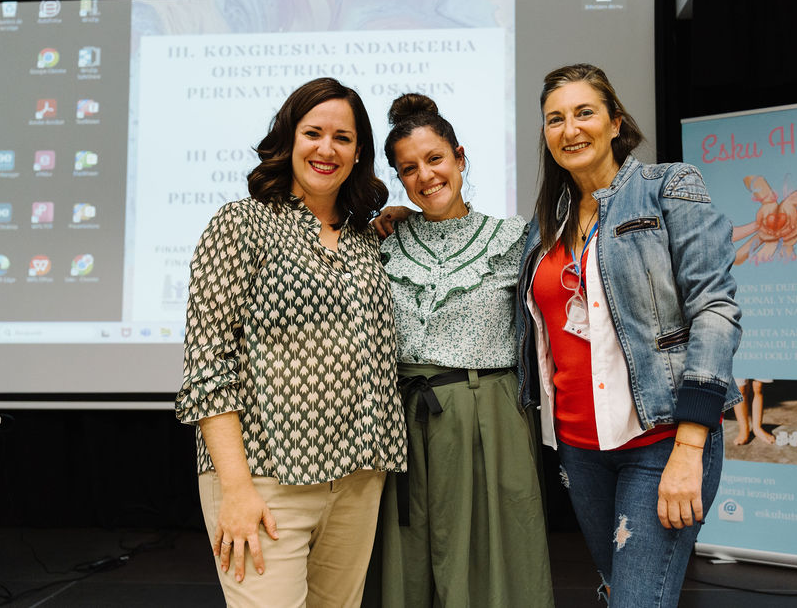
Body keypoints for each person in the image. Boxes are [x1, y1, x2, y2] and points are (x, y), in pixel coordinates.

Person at [175, 77, 407, 608]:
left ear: (359, 152)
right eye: (313, 133)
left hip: (358, 477)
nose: (327, 149)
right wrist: (236, 489)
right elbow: (207, 364)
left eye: (343, 138)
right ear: (289, 138)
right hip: (265, 479)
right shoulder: (241, 224)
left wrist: (405, 216)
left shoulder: (367, 238)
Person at [517, 64, 742, 607]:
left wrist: (690, 445)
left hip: (661, 440)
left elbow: (715, 309)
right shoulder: (545, 224)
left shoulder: (666, 187)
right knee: (619, 590)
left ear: (615, 122)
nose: (570, 129)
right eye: (555, 119)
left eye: (584, 113)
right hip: (579, 450)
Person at [370, 94, 554, 607]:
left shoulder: (513, 238)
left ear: (459, 157)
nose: (426, 176)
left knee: (495, 565)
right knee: (407, 564)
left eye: (435, 159)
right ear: (399, 178)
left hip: (488, 414)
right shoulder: (381, 241)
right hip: (404, 421)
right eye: (410, 168)